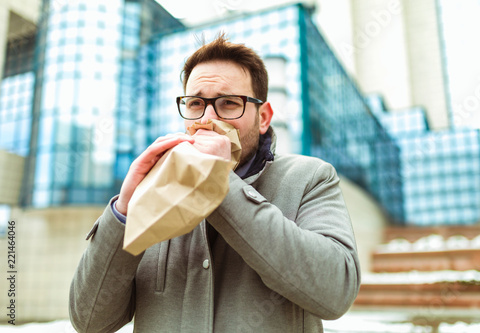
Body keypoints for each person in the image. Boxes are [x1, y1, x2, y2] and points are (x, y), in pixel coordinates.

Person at [69, 34, 360, 333]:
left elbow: (336, 292)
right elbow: (90, 321)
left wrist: (220, 184)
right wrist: (124, 212)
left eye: (229, 103)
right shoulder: (154, 192)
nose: (207, 119)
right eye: (196, 103)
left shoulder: (310, 178)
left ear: (263, 118)